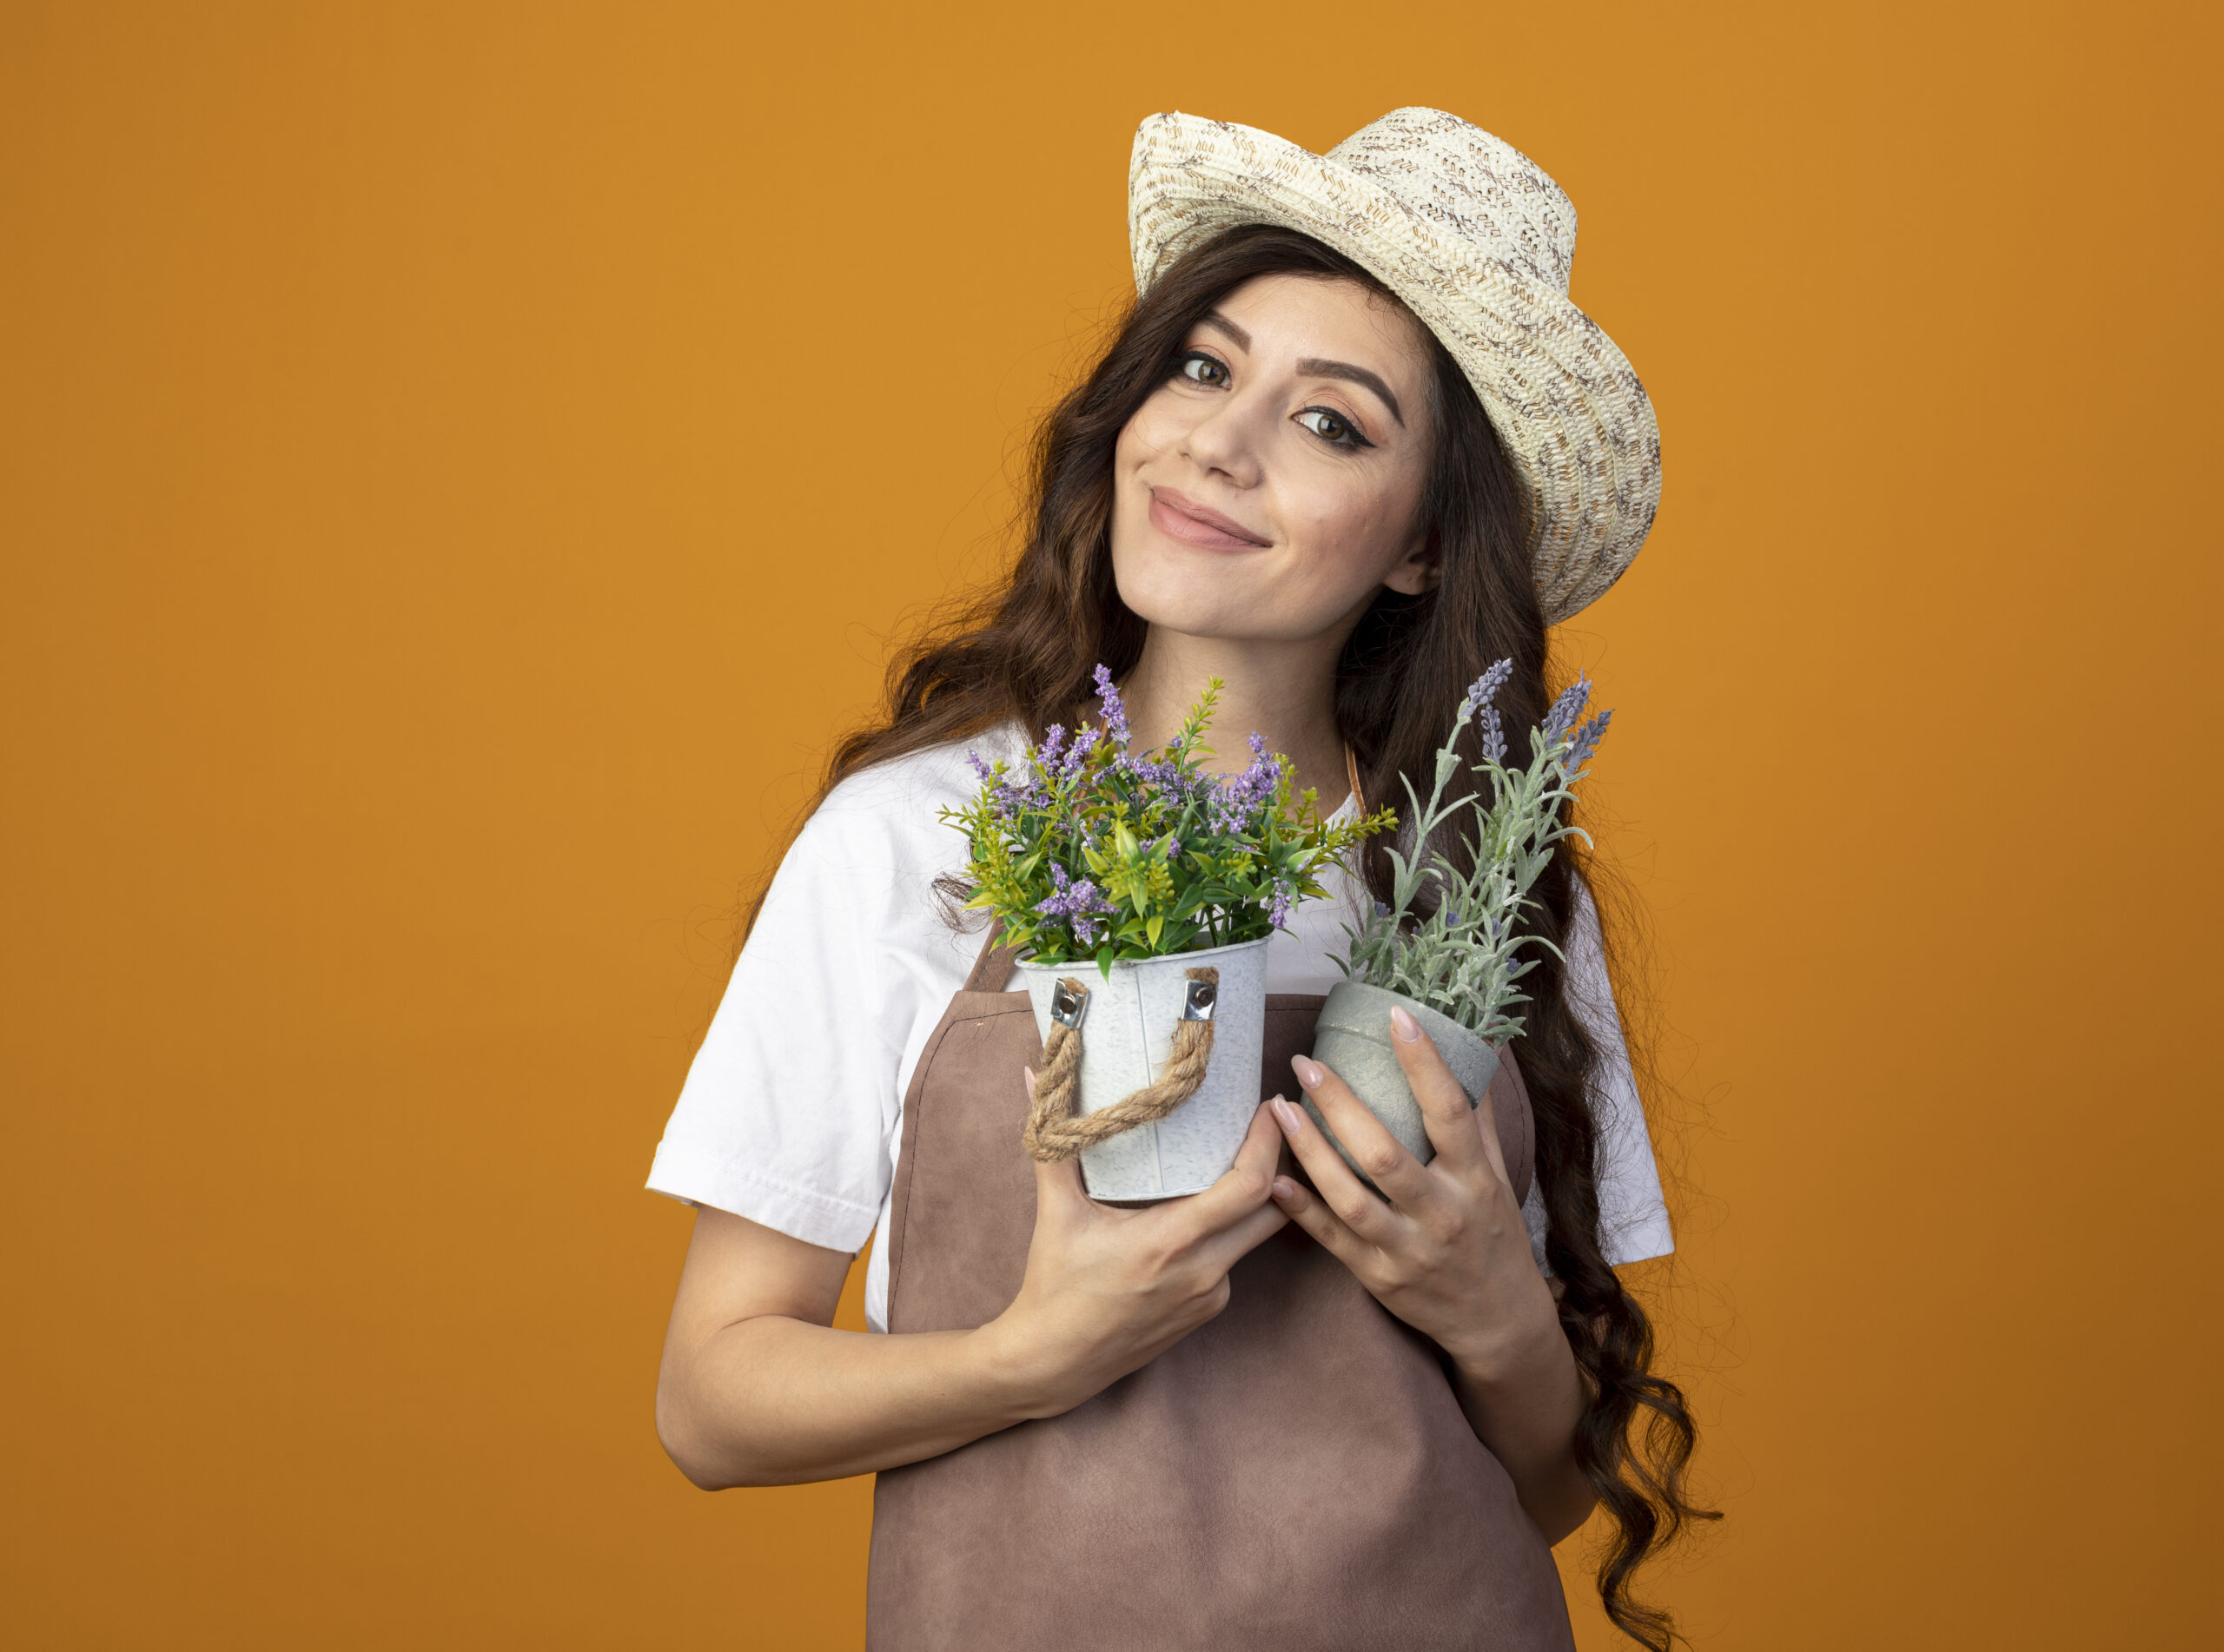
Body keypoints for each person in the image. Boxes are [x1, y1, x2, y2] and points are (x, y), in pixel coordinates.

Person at [649, 108, 1710, 1650]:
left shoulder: (1482, 890)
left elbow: (1541, 1494)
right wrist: (1035, 1351)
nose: (1218, 440)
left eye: (1331, 422)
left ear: (1421, 545)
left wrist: (1495, 1304)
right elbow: (710, 1397)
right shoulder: (919, 835)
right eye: (1204, 368)